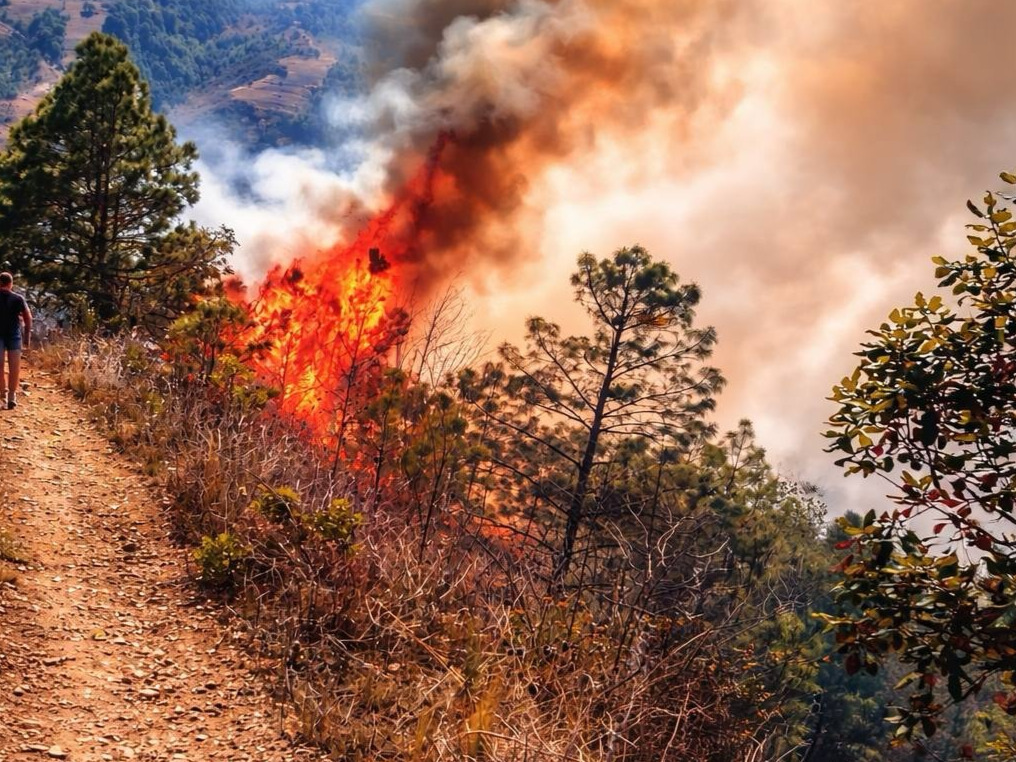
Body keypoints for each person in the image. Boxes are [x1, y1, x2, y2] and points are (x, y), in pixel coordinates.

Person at [0, 272, 31, 409]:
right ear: (11, 284)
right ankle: (12, 395)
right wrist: (27, 337)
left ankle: (3, 394)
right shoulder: (18, 298)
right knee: (14, 366)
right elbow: (28, 318)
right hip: (14, 335)